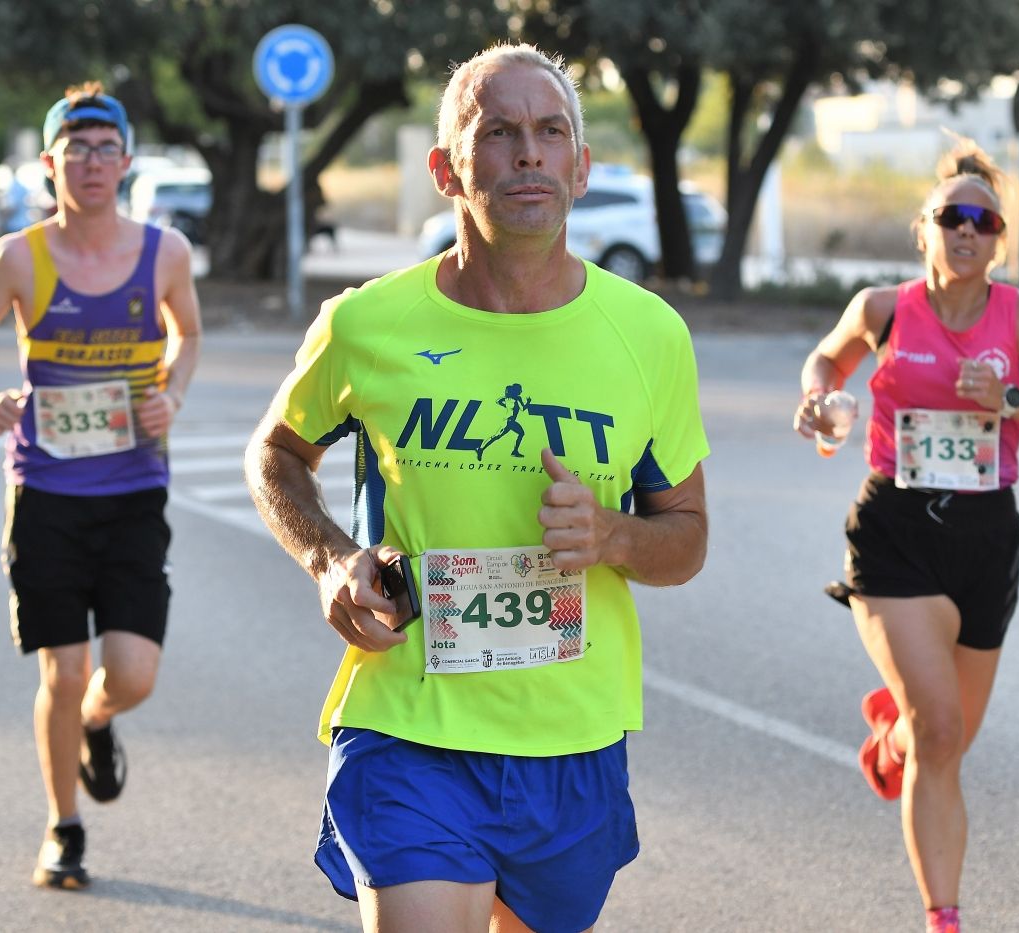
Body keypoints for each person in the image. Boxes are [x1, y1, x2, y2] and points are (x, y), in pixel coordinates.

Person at [245, 43, 708, 933]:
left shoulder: (650, 335)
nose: (527, 152)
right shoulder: (368, 323)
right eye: (497, 132)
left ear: (580, 163)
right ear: (447, 170)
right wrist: (331, 558)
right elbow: (276, 453)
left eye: (549, 131)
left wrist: (611, 536)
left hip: (570, 738)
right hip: (409, 719)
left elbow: (685, 536)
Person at [794, 139, 1019, 933]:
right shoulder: (883, 309)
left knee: (945, 741)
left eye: (984, 220)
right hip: (895, 528)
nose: (966, 230)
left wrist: (1012, 401)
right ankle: (945, 918)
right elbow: (826, 364)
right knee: (939, 725)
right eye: (951, 216)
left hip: (985, 535)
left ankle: (889, 737)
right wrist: (824, 403)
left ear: (1000, 238)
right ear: (923, 228)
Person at [0, 82, 201, 890]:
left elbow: (188, 332)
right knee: (60, 667)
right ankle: (64, 828)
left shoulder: (166, 253)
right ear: (50, 163)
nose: (91, 163)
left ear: (126, 161)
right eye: (74, 149)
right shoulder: (19, 256)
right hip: (47, 493)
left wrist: (174, 393)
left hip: (133, 489)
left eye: (105, 148)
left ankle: (98, 721)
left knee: (131, 673)